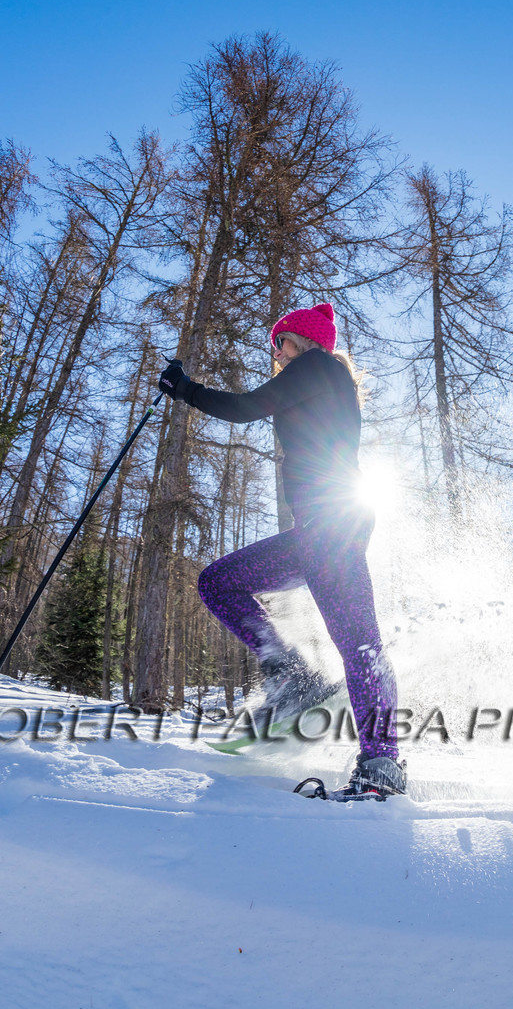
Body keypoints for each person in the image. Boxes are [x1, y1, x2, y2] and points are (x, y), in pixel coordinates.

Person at [157, 302, 406, 798]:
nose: (276, 352)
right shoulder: (316, 379)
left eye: (282, 342)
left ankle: (382, 763)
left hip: (333, 525)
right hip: (316, 528)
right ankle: (294, 676)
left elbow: (246, 407)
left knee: (358, 639)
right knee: (219, 582)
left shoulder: (319, 367)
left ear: (305, 339)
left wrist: (185, 389)